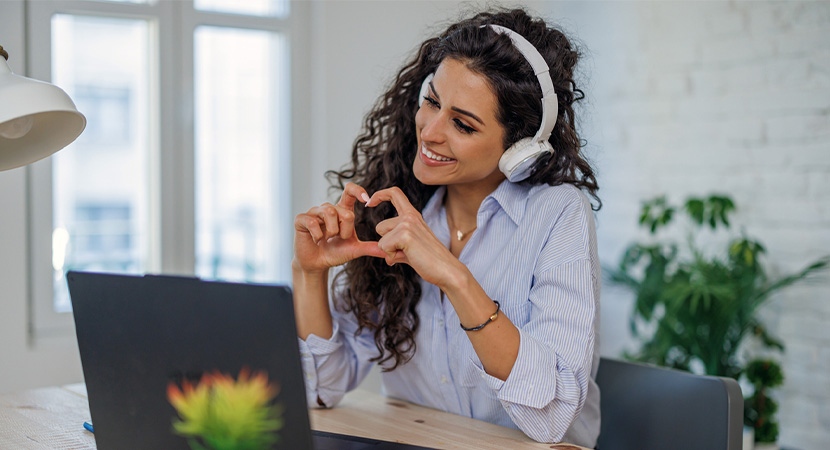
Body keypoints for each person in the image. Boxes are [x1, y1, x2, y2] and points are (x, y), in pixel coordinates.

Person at [291, 8, 601, 448]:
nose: (430, 131)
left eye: (462, 124)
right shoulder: (392, 209)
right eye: (432, 101)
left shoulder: (557, 215)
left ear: (520, 148)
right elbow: (321, 388)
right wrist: (310, 274)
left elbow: (550, 418)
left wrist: (454, 276)